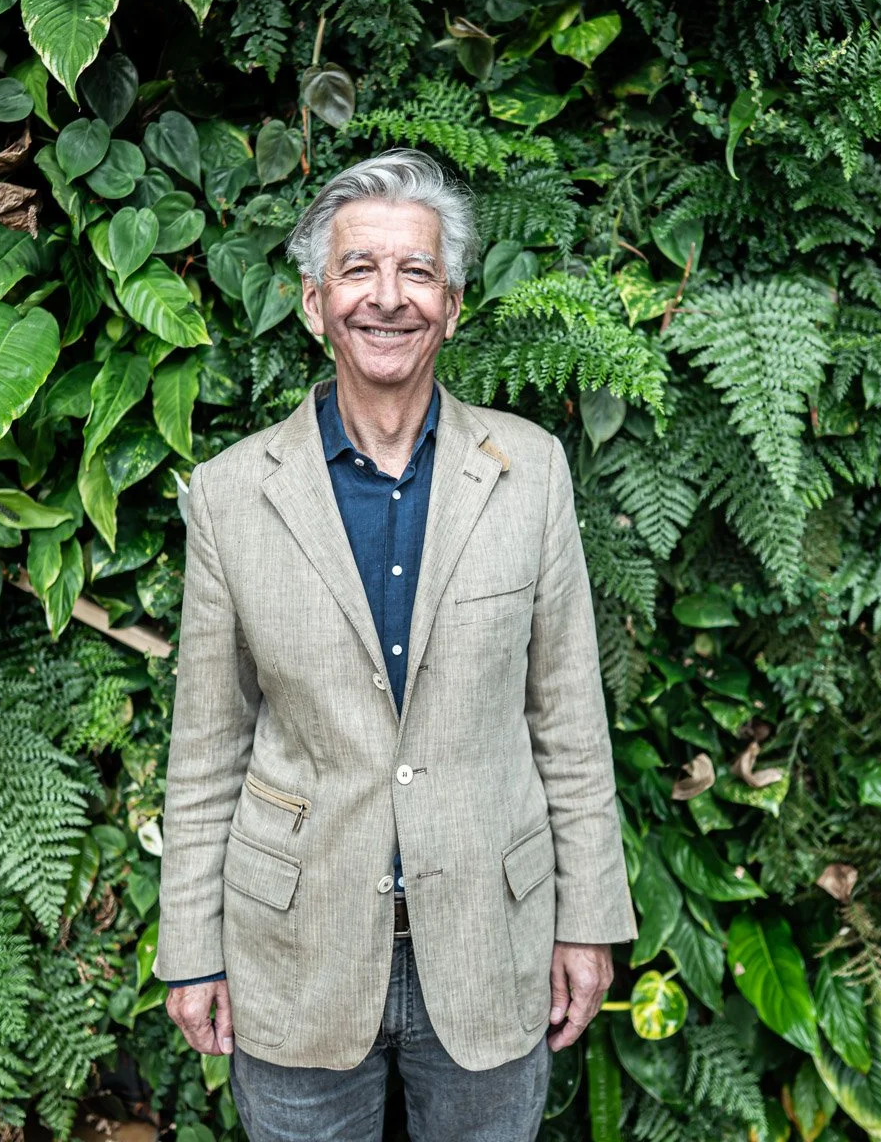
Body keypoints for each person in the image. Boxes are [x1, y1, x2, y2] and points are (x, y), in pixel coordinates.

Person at [155, 147, 635, 1141]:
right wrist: (189, 948)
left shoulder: (531, 471)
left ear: (453, 305)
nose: (389, 297)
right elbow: (206, 751)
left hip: (492, 944)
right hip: (294, 950)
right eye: (360, 269)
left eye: (417, 271)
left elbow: (571, 720)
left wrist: (588, 918)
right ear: (314, 300)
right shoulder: (233, 493)